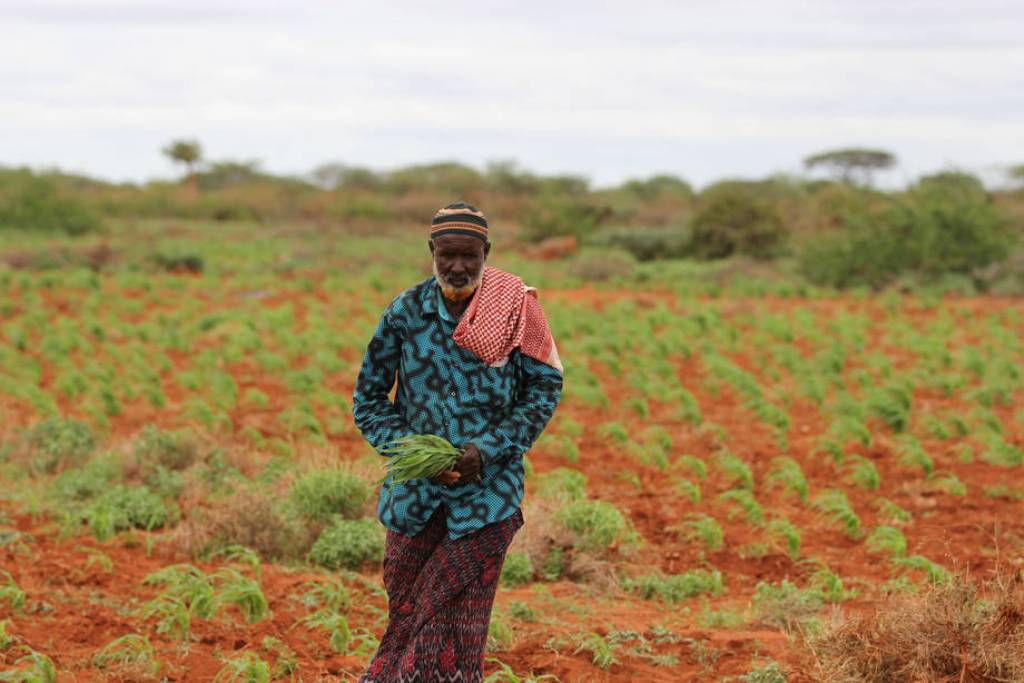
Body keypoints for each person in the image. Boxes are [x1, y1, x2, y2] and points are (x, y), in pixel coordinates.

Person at [352, 202, 563, 682]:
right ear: (432, 251)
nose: (459, 267)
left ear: (487, 252)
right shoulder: (405, 313)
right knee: (408, 617)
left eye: (470, 255)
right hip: (413, 501)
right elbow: (368, 399)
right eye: (448, 255)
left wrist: (485, 450)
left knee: (455, 632)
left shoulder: (515, 310)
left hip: (487, 500)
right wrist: (412, 454)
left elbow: (543, 390)